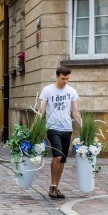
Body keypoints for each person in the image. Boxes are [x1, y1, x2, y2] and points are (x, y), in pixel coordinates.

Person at [38, 66, 81, 200]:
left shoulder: (71, 91)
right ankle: (52, 185)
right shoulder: (48, 90)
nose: (65, 81)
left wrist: (83, 126)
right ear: (57, 76)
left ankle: (56, 187)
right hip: (53, 128)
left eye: (67, 79)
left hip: (67, 128)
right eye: (63, 78)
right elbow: (42, 109)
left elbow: (74, 111)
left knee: (62, 159)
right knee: (57, 156)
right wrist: (36, 126)